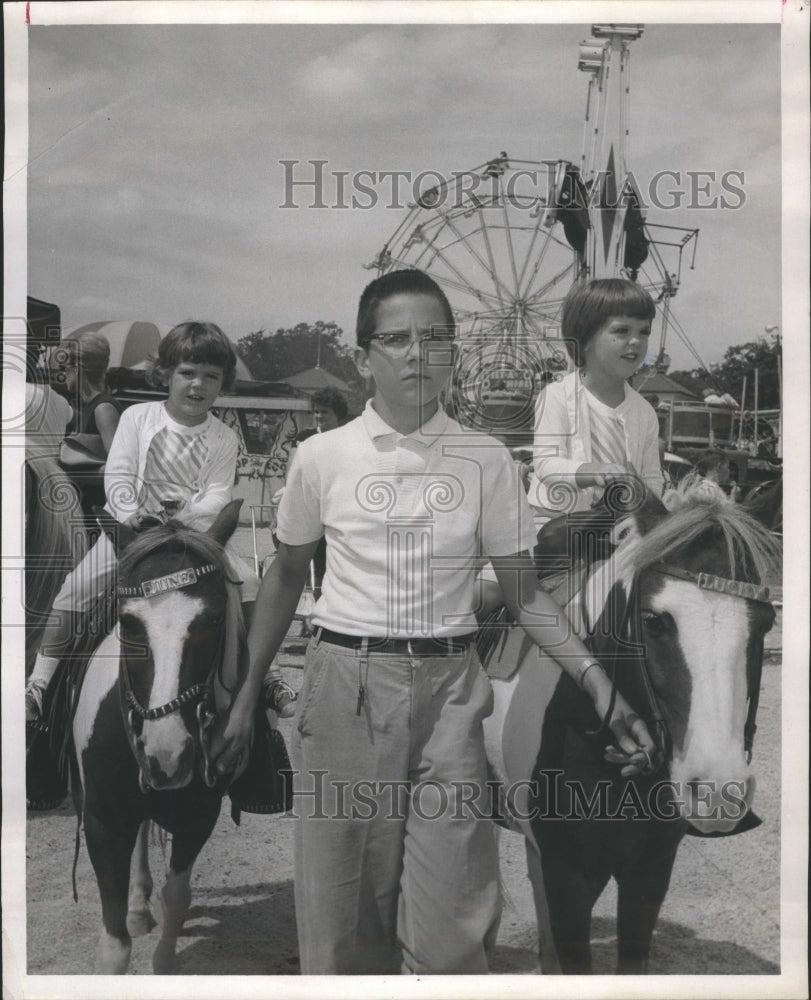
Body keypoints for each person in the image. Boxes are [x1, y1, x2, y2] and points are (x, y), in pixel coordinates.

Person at [209, 269, 656, 975]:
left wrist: (601, 686)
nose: (418, 354)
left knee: (454, 932)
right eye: (396, 339)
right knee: (344, 928)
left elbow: (523, 594)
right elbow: (287, 575)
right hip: (343, 688)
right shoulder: (319, 458)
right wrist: (244, 699)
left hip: (451, 693)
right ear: (363, 357)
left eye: (436, 338)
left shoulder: (484, 461)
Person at [24, 321, 279, 719]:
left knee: (250, 583)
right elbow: (120, 474)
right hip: (134, 530)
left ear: (222, 383)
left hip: (192, 533)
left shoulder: (224, 438)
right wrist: (132, 513)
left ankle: (267, 675)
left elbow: (216, 493)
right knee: (76, 587)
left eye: (211, 377)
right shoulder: (137, 419)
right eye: (187, 374)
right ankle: (40, 680)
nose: (198, 386)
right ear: (166, 374)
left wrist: (189, 512)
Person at [527, 278, 664, 522]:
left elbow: (653, 477)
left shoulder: (644, 412)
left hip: (618, 526)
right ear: (586, 337)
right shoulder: (557, 396)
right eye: (622, 331)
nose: (636, 341)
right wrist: (593, 471)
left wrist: (643, 494)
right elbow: (546, 464)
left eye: (644, 332)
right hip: (556, 523)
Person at [58, 330, 123, 524]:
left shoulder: (103, 409)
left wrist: (67, 473)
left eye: (64, 367)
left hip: (98, 513)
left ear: (76, 368)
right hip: (88, 509)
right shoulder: (90, 407)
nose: (62, 373)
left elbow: (119, 471)